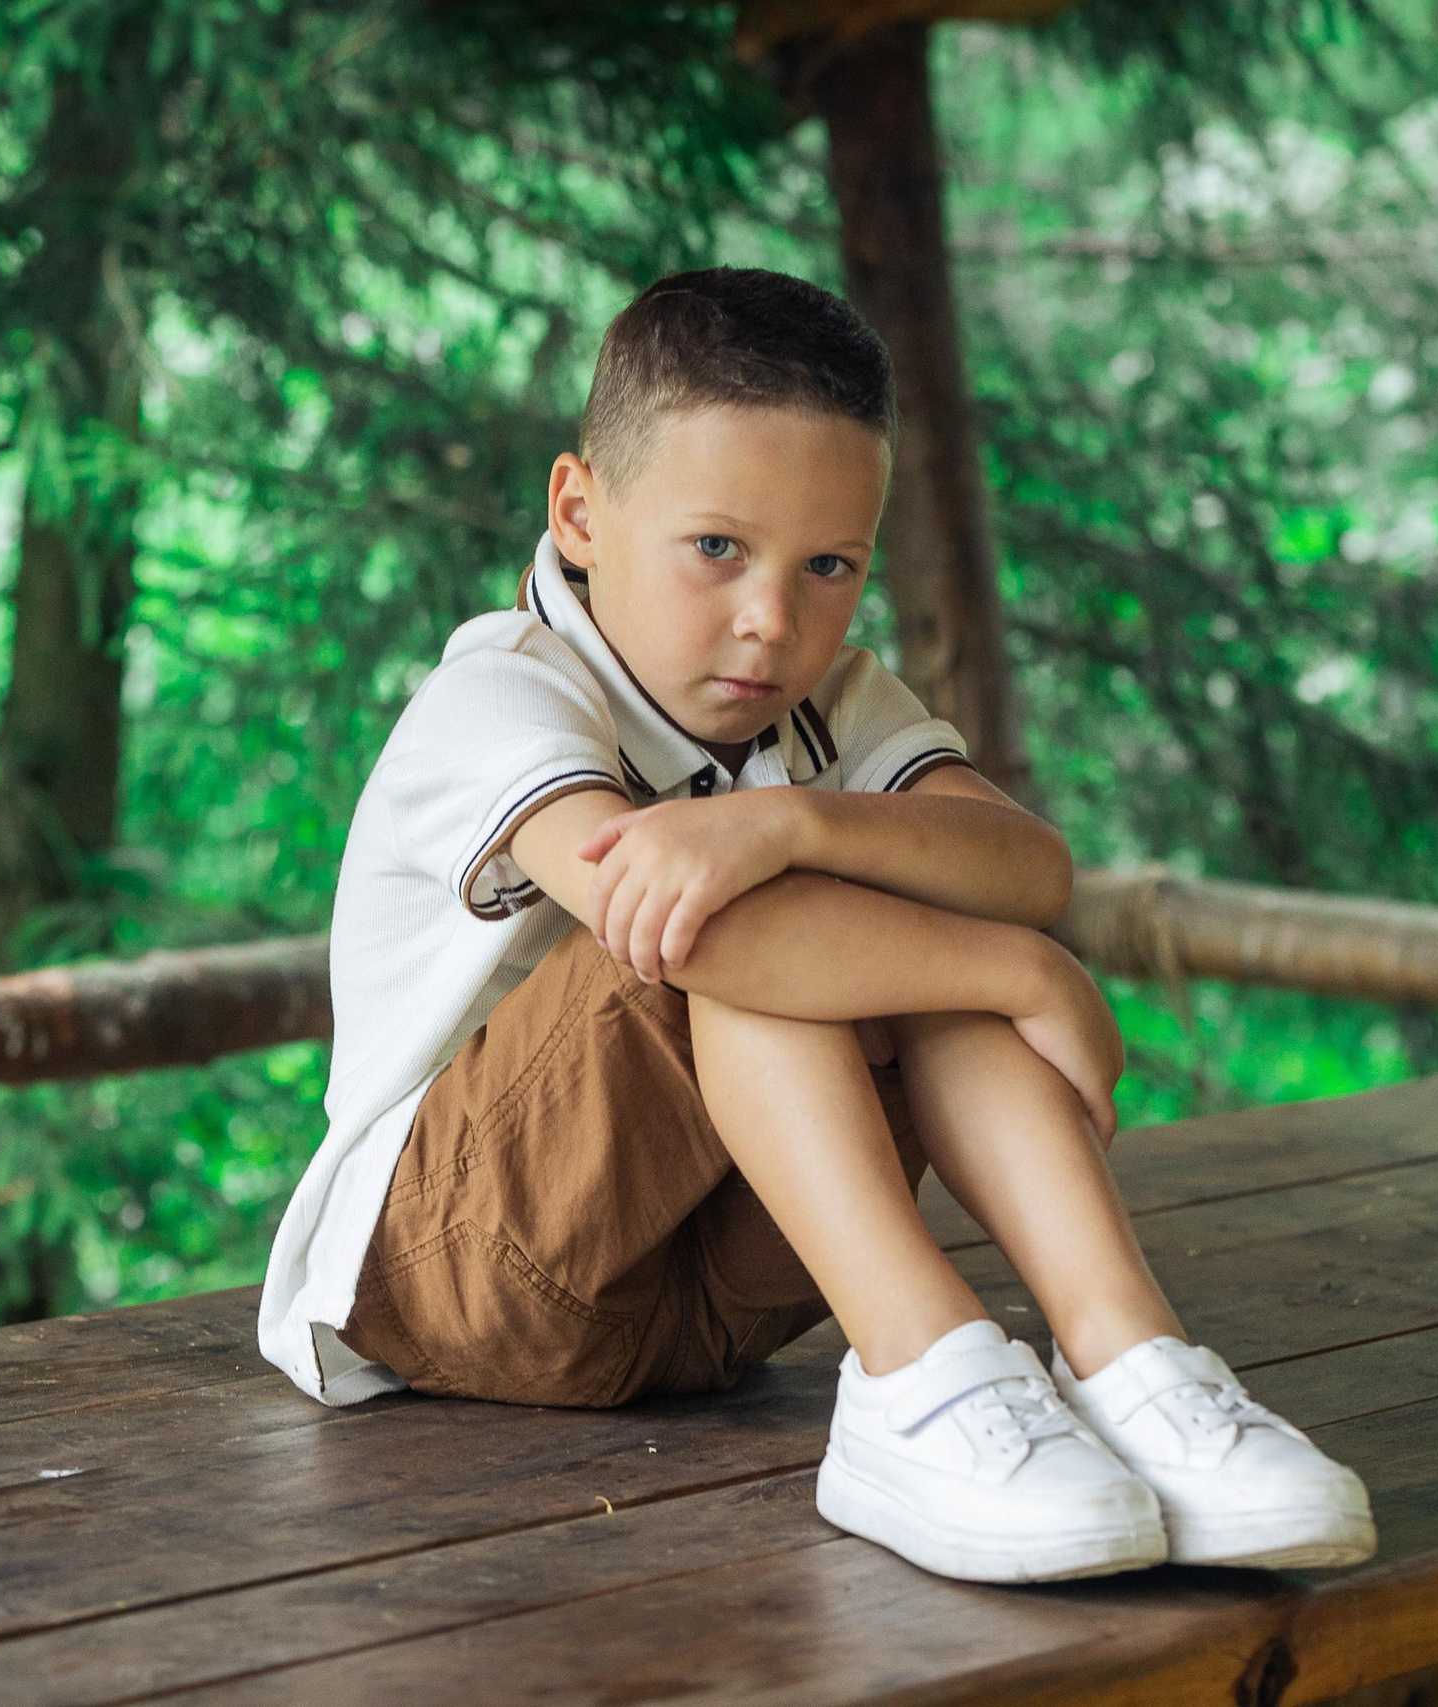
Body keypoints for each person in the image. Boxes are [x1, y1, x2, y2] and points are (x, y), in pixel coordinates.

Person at [257, 265, 1378, 1584]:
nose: (772, 621)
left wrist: (797, 822)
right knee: (726, 918)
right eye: (717, 549)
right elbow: (705, 936)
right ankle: (918, 1374)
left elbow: (1020, 862)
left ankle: (1134, 1361)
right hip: (456, 1272)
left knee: (859, 887)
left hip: (703, 1309)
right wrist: (1013, 966)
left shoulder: (833, 702)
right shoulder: (500, 692)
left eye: (830, 564)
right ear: (581, 512)